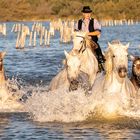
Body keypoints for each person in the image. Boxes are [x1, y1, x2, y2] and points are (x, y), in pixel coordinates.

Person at [76, 6, 105, 71]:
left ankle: (101, 63)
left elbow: (98, 32)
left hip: (92, 40)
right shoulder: (79, 22)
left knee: (97, 48)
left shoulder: (94, 21)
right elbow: (76, 32)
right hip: (82, 41)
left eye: (89, 13)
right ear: (83, 14)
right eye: (86, 13)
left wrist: (87, 34)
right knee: (75, 51)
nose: (87, 15)